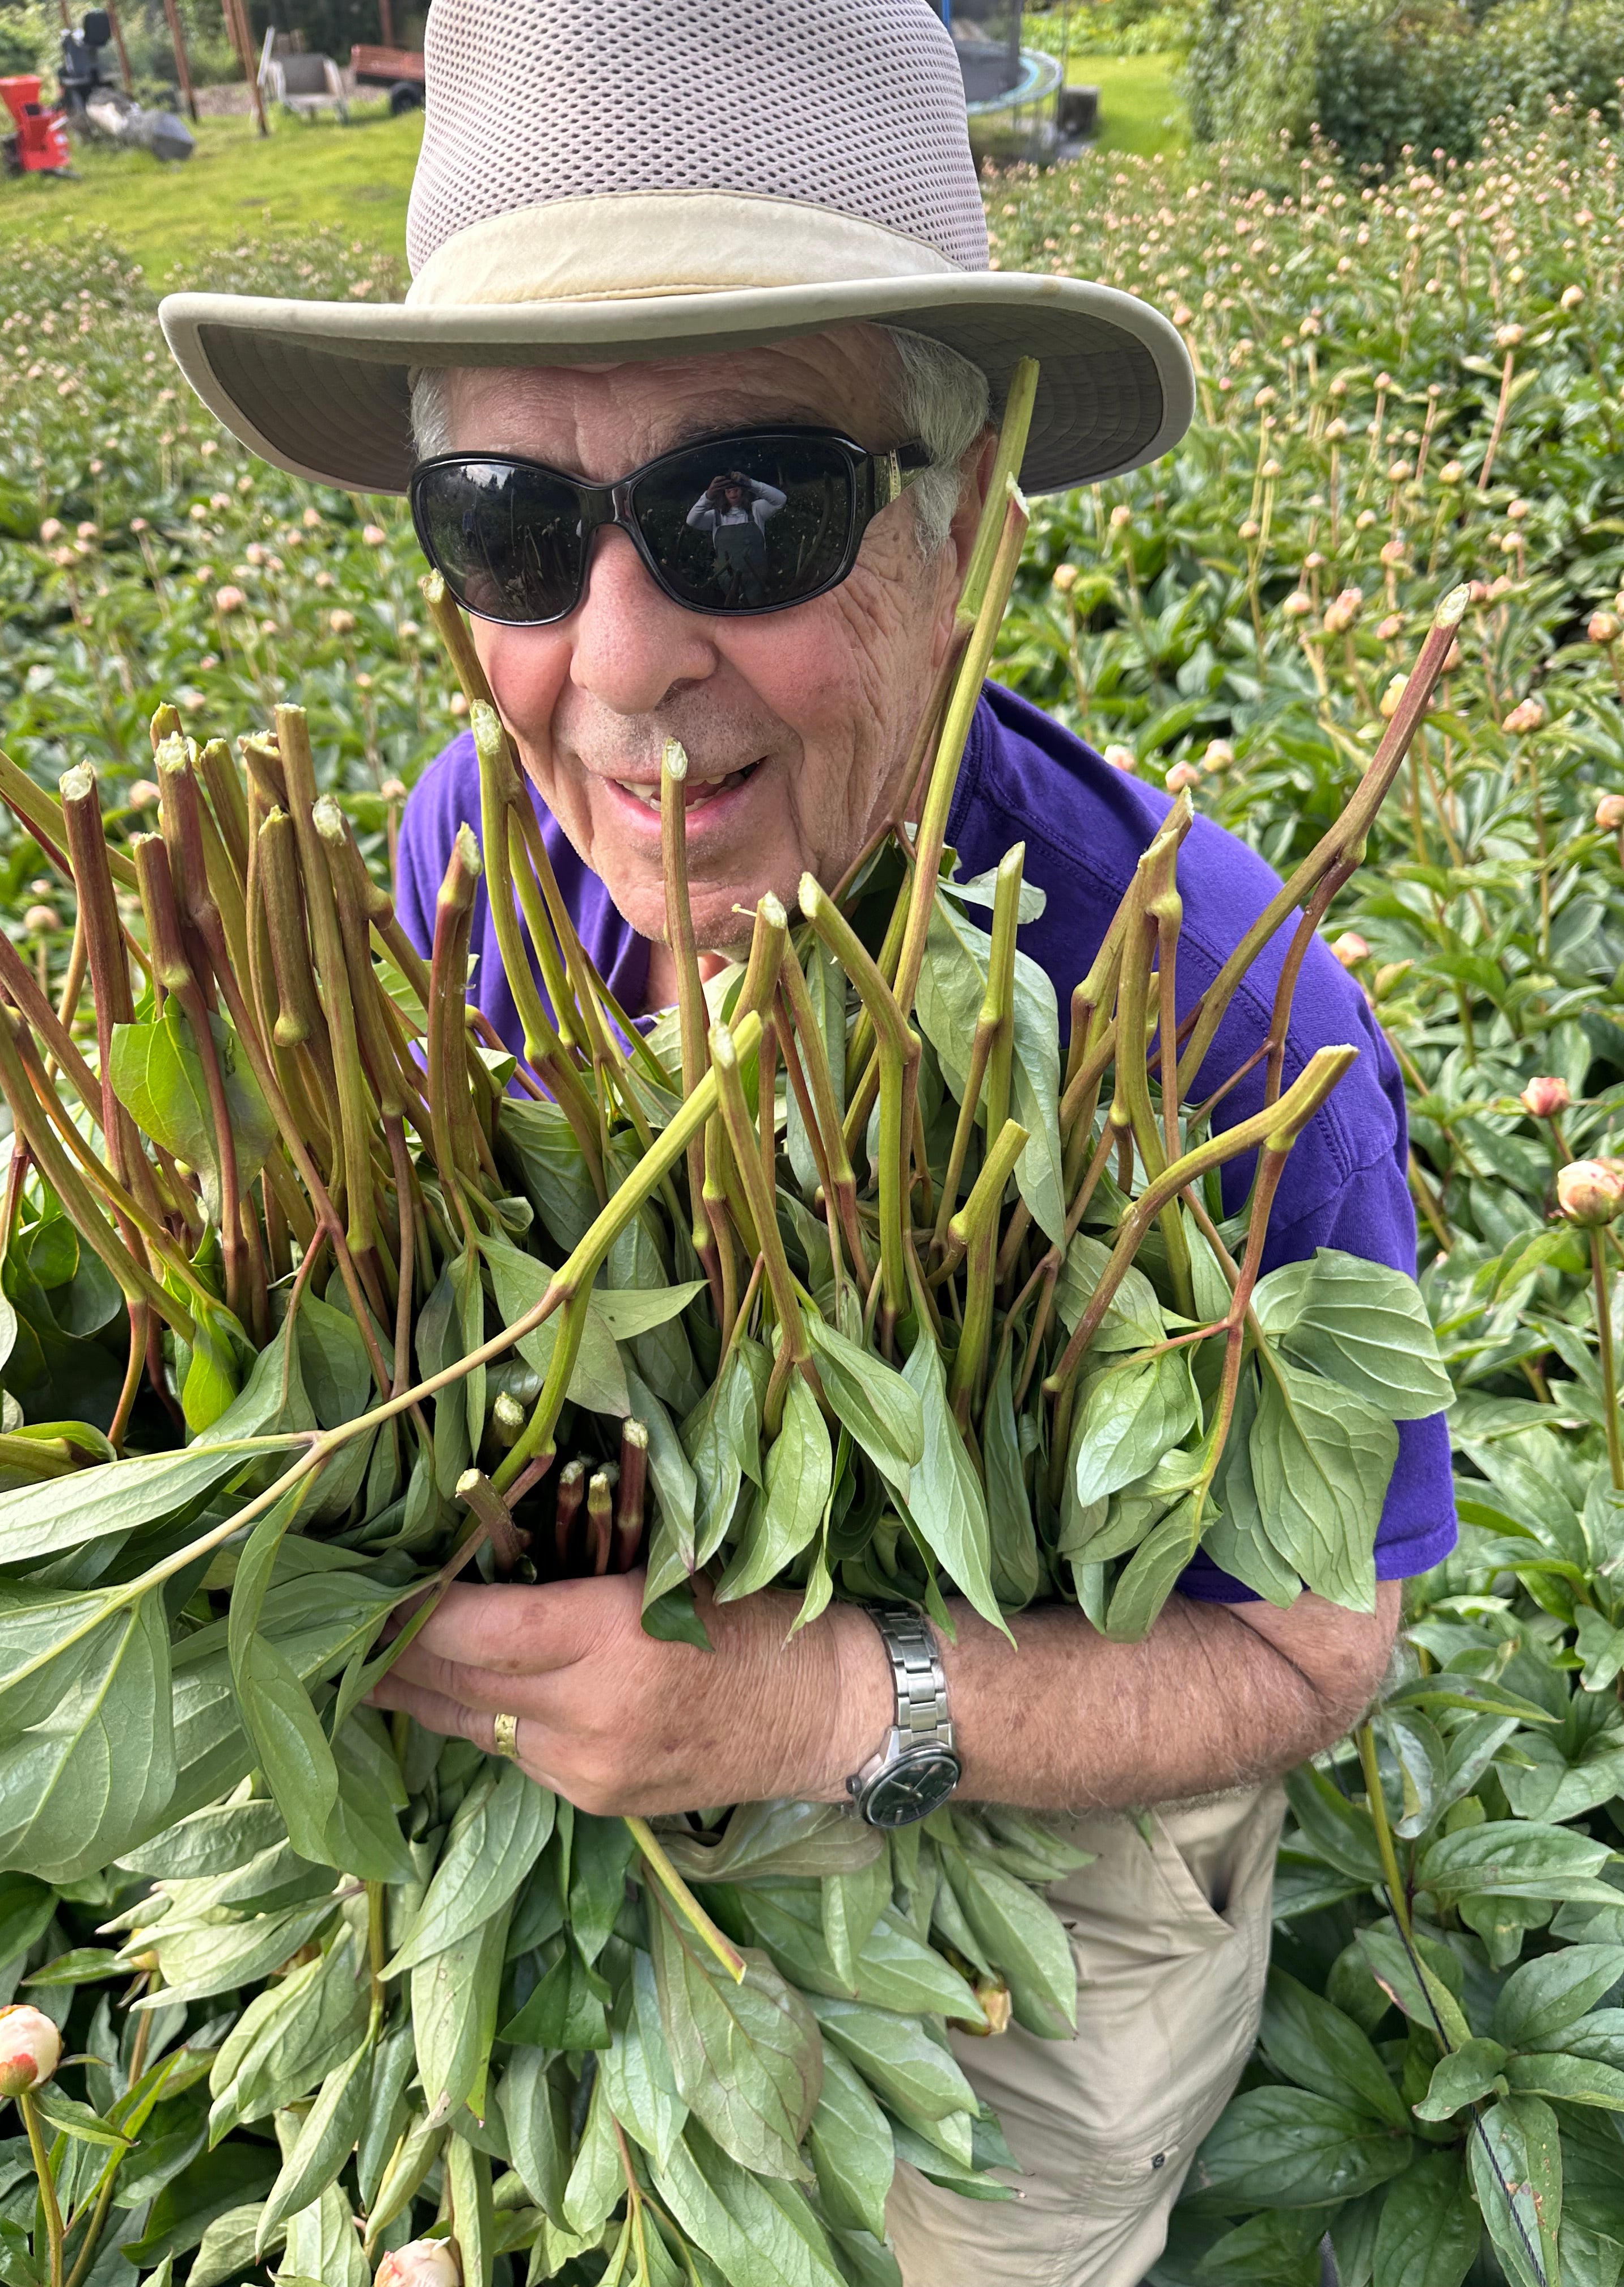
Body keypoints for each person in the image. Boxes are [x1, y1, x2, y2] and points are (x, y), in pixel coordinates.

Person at [161, 3, 1457, 2279]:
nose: (621, 665)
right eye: (514, 526)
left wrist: (816, 1702)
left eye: (746, 505)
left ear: (966, 519)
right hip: (580, 1846)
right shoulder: (464, 849)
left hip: (1030, 1889)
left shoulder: (1221, 1005)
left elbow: (1321, 1653)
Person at [685, 467, 787, 606]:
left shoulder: (756, 509)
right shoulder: (715, 516)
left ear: (744, 491)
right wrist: (708, 496)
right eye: (728, 491)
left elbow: (781, 500)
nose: (733, 494)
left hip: (758, 579)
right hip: (728, 582)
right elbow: (691, 520)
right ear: (723, 494)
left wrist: (751, 483)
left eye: (736, 490)